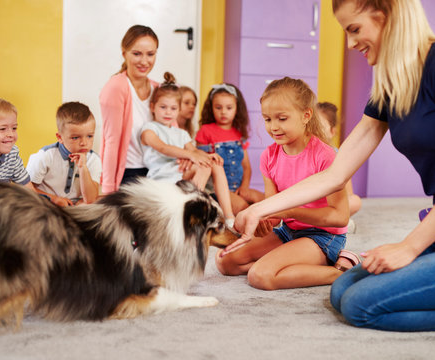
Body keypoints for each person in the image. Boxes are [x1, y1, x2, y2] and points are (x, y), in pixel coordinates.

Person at [226, 0, 435, 332]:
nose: (351, 43)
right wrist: (260, 209)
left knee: (359, 304)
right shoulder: (392, 83)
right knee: (341, 290)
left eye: (354, 29)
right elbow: (335, 174)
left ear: (388, 14)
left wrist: (409, 247)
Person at [215, 77, 361, 290]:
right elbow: (274, 213)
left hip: (323, 237)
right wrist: (263, 221)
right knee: (224, 261)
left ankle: (342, 271)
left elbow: (339, 218)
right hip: (289, 232)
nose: (273, 127)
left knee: (260, 276)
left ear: (306, 115)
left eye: (282, 118)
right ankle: (285, 266)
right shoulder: (269, 156)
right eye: (267, 119)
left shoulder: (325, 156)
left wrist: (288, 212)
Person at [140, 72, 236, 227]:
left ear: (178, 110)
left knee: (213, 164)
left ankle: (229, 217)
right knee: (204, 167)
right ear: (153, 107)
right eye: (163, 107)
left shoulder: (181, 133)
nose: (168, 112)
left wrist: (209, 155)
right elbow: (163, 148)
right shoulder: (149, 129)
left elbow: (194, 151)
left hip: (181, 173)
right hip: (163, 176)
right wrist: (191, 156)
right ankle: (190, 210)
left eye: (173, 108)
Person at [99, 25, 159, 194]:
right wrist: (108, 191)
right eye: (137, 53)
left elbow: (174, 133)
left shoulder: (158, 89)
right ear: (124, 53)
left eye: (150, 54)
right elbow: (111, 141)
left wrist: (193, 154)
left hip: (157, 171)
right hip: (129, 173)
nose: (144, 61)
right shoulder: (116, 87)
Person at [196, 83, 264, 214]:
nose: (223, 112)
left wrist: (244, 187)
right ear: (211, 108)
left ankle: (270, 230)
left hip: (238, 187)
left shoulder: (238, 134)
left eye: (229, 108)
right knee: (243, 207)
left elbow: (246, 167)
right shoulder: (205, 131)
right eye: (218, 107)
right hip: (217, 189)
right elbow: (201, 161)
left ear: (237, 109)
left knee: (264, 200)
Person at [27, 102, 101, 206]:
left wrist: (82, 167)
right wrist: (53, 199)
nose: (84, 143)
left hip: (75, 206)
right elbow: (26, 189)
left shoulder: (94, 159)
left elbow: (90, 199)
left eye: (89, 136)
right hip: (46, 203)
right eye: (75, 137)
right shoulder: (45, 156)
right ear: (60, 138)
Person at [317, 101, 362, 232]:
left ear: (332, 132)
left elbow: (348, 193)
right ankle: (331, 223)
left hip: (330, 205)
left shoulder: (339, 157)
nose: (314, 131)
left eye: (319, 127)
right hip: (307, 204)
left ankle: (334, 222)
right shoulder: (304, 153)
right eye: (310, 126)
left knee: (355, 201)